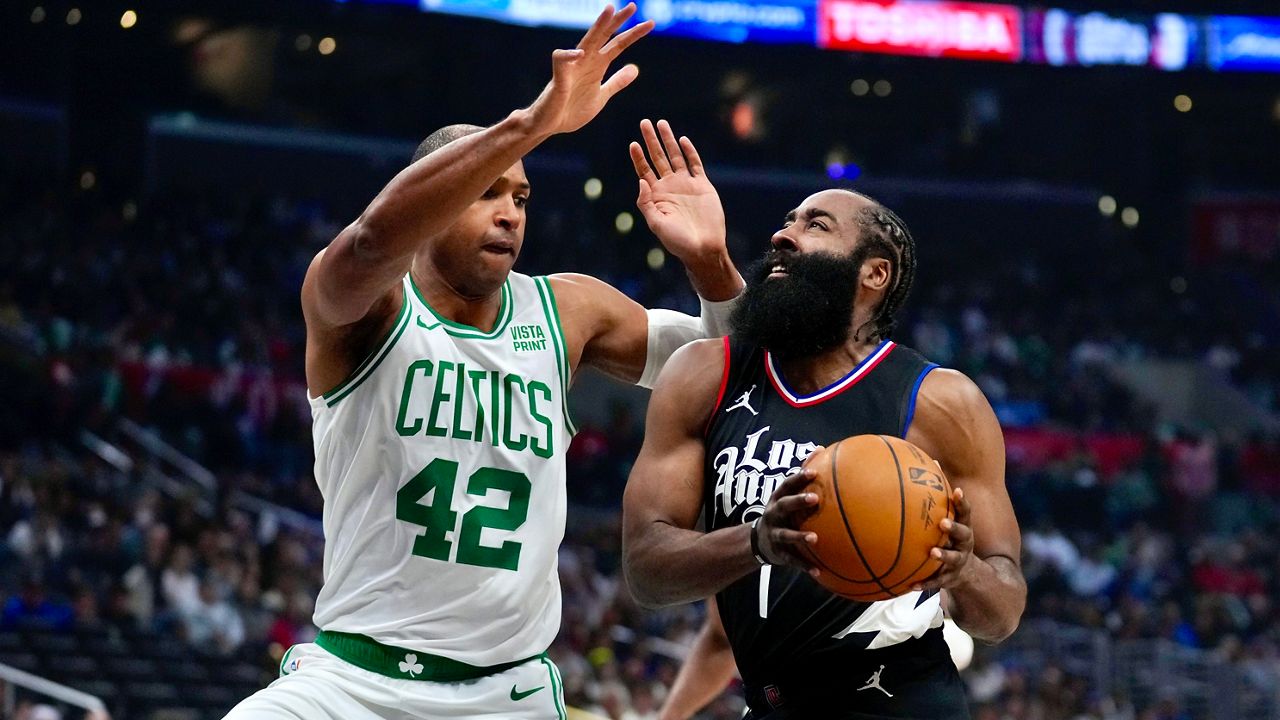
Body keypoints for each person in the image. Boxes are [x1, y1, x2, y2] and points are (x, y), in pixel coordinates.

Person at [226, 5, 743, 719]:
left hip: (508, 692)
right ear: (436, 197)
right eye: (487, 192)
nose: (511, 213)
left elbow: (730, 369)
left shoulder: (566, 312)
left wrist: (712, 265)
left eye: (522, 197)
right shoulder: (365, 307)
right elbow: (375, 240)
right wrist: (532, 125)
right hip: (351, 681)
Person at [623, 188, 1026, 719]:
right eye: (788, 220)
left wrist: (961, 571)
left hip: (901, 700)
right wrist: (756, 541)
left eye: (816, 226)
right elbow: (645, 571)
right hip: (770, 704)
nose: (782, 235)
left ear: (873, 274)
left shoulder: (941, 401)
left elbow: (1003, 610)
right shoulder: (703, 374)